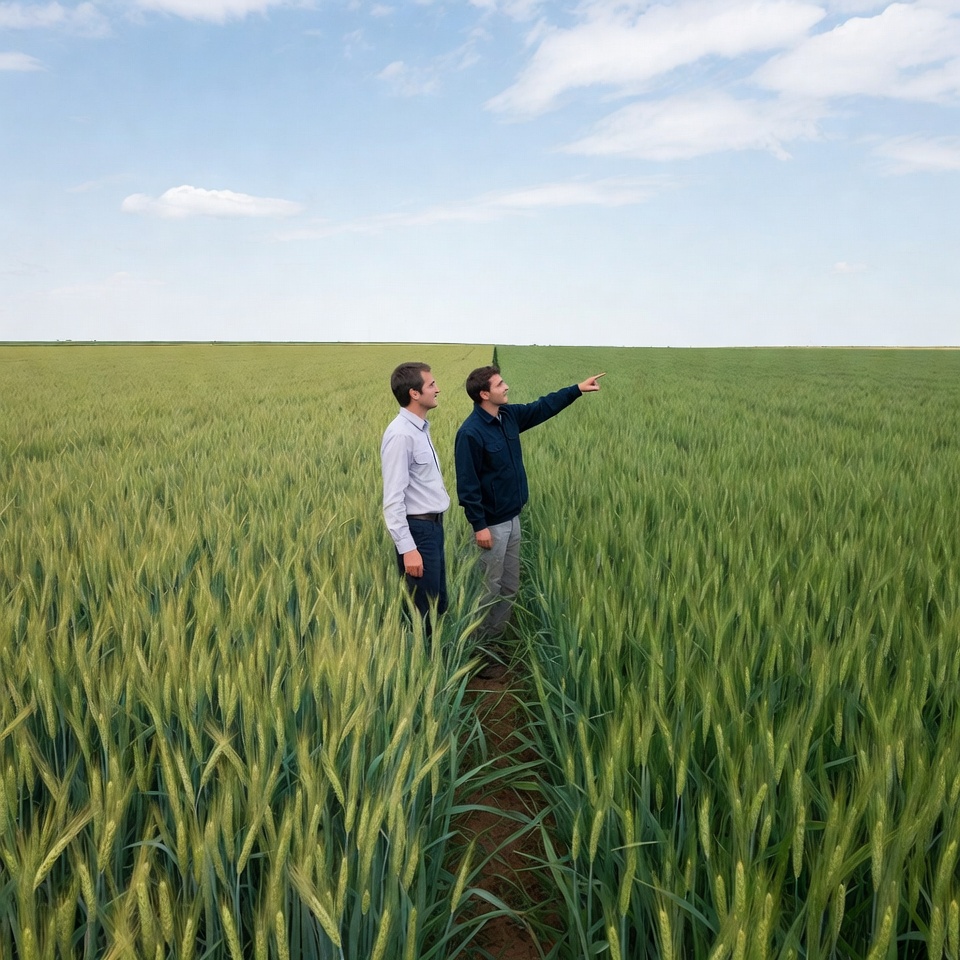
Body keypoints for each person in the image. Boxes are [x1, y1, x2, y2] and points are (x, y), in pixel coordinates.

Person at [454, 365, 604, 655]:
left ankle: (494, 641)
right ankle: (476, 649)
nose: (506, 386)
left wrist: (577, 389)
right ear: (484, 394)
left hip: (513, 517)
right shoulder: (470, 433)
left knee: (509, 586)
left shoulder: (508, 416)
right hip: (492, 526)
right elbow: (468, 486)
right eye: (500, 384)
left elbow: (542, 407)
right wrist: (479, 526)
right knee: (488, 588)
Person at [381, 362, 451, 620]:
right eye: (431, 384)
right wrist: (407, 548)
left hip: (432, 529)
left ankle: (436, 657)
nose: (437, 389)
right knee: (423, 611)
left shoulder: (419, 429)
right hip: (418, 532)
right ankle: (424, 658)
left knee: (438, 604)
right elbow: (393, 498)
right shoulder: (401, 435)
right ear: (414, 393)